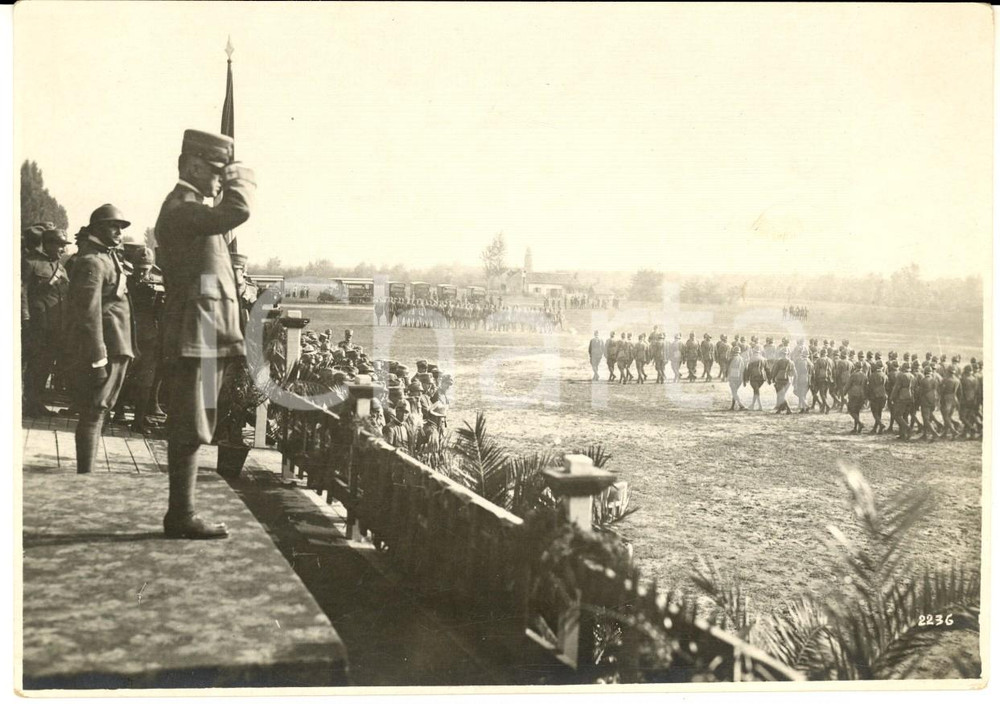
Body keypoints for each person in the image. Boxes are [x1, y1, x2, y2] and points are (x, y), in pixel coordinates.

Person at [155, 129, 255, 539]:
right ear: (193, 167)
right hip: (193, 333)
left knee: (196, 424)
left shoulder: (192, 209)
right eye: (216, 171)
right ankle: (181, 515)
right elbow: (237, 211)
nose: (220, 181)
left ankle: (184, 511)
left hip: (205, 332)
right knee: (188, 423)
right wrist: (241, 177)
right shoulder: (182, 208)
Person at [66, 206, 135, 473]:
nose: (119, 232)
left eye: (121, 227)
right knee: (94, 412)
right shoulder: (92, 262)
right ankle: (86, 475)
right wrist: (98, 359)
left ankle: (88, 472)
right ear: (96, 229)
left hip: (117, 347)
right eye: (112, 226)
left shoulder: (107, 257)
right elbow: (88, 314)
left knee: (99, 411)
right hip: (104, 350)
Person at [21, 227, 71, 416]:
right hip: (37, 324)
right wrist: (25, 317)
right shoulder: (31, 263)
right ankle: (29, 403)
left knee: (46, 365)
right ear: (48, 244)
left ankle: (37, 402)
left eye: (64, 246)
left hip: (56, 326)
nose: (62, 250)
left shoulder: (61, 267)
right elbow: (22, 291)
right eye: (59, 245)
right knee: (34, 364)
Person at [845, 362, 868, 433]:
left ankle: (859, 423)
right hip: (862, 394)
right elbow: (866, 386)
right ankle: (856, 428)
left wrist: (844, 392)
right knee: (857, 411)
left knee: (851, 410)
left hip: (854, 394)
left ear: (855, 367)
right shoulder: (864, 375)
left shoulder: (853, 375)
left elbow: (848, 385)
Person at [867, 360, 888, 434]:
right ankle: (876, 428)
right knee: (879, 412)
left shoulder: (872, 375)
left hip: (874, 395)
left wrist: (868, 396)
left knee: (874, 412)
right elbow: (887, 386)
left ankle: (880, 424)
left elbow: (869, 387)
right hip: (883, 395)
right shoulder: (885, 375)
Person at [771, 348, 794, 414]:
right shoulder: (791, 362)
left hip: (780, 379)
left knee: (782, 395)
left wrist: (773, 378)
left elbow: (775, 370)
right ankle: (779, 410)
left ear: (781, 354)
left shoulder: (779, 361)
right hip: (788, 380)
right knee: (783, 394)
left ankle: (789, 409)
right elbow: (793, 372)